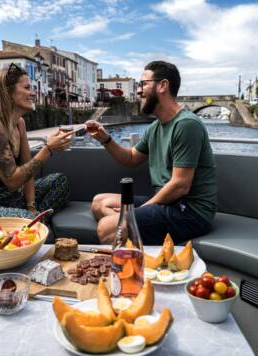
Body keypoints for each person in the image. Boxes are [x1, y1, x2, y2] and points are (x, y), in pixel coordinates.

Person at [86, 61, 217, 245]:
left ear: (163, 85)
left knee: (107, 228)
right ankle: (134, 242)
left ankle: (127, 257)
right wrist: (105, 139)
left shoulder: (186, 124)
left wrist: (134, 214)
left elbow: (180, 186)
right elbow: (131, 158)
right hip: (168, 203)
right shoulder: (155, 127)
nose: (139, 91)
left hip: (190, 212)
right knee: (99, 203)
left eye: (143, 84)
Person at [0, 63, 73, 225]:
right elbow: (12, 180)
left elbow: (27, 170)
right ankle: (35, 224)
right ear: (8, 93)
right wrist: (48, 149)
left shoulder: (19, 123)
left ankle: (34, 221)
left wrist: (31, 206)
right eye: (26, 88)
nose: (33, 93)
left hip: (13, 198)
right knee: (33, 224)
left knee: (60, 181)